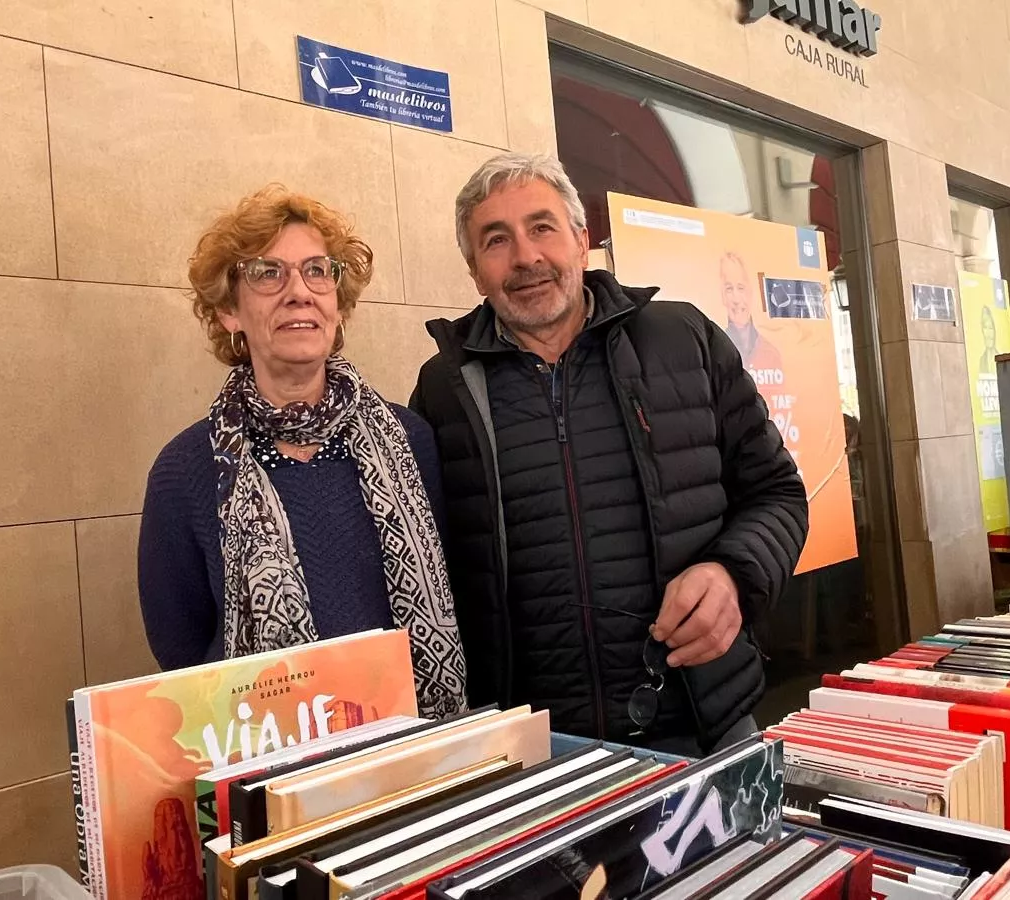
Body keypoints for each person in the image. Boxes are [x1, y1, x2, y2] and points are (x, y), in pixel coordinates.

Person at [410, 153, 810, 755]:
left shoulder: (686, 341)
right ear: (475, 271)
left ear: (581, 238)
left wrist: (734, 574)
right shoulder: (445, 388)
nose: (526, 257)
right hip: (532, 752)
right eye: (497, 241)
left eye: (542, 227)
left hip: (702, 726)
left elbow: (778, 494)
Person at [137, 186, 467, 719]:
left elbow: (457, 594)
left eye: (317, 271)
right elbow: (181, 654)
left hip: (414, 747)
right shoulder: (186, 470)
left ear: (337, 301)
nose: (299, 292)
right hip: (271, 767)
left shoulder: (410, 439)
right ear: (229, 310)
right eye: (268, 273)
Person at [719, 251, 783, 372]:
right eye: (729, 289)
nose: (736, 299)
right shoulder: (714, 352)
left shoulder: (771, 354)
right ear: (722, 296)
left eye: (741, 288)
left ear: (751, 292)